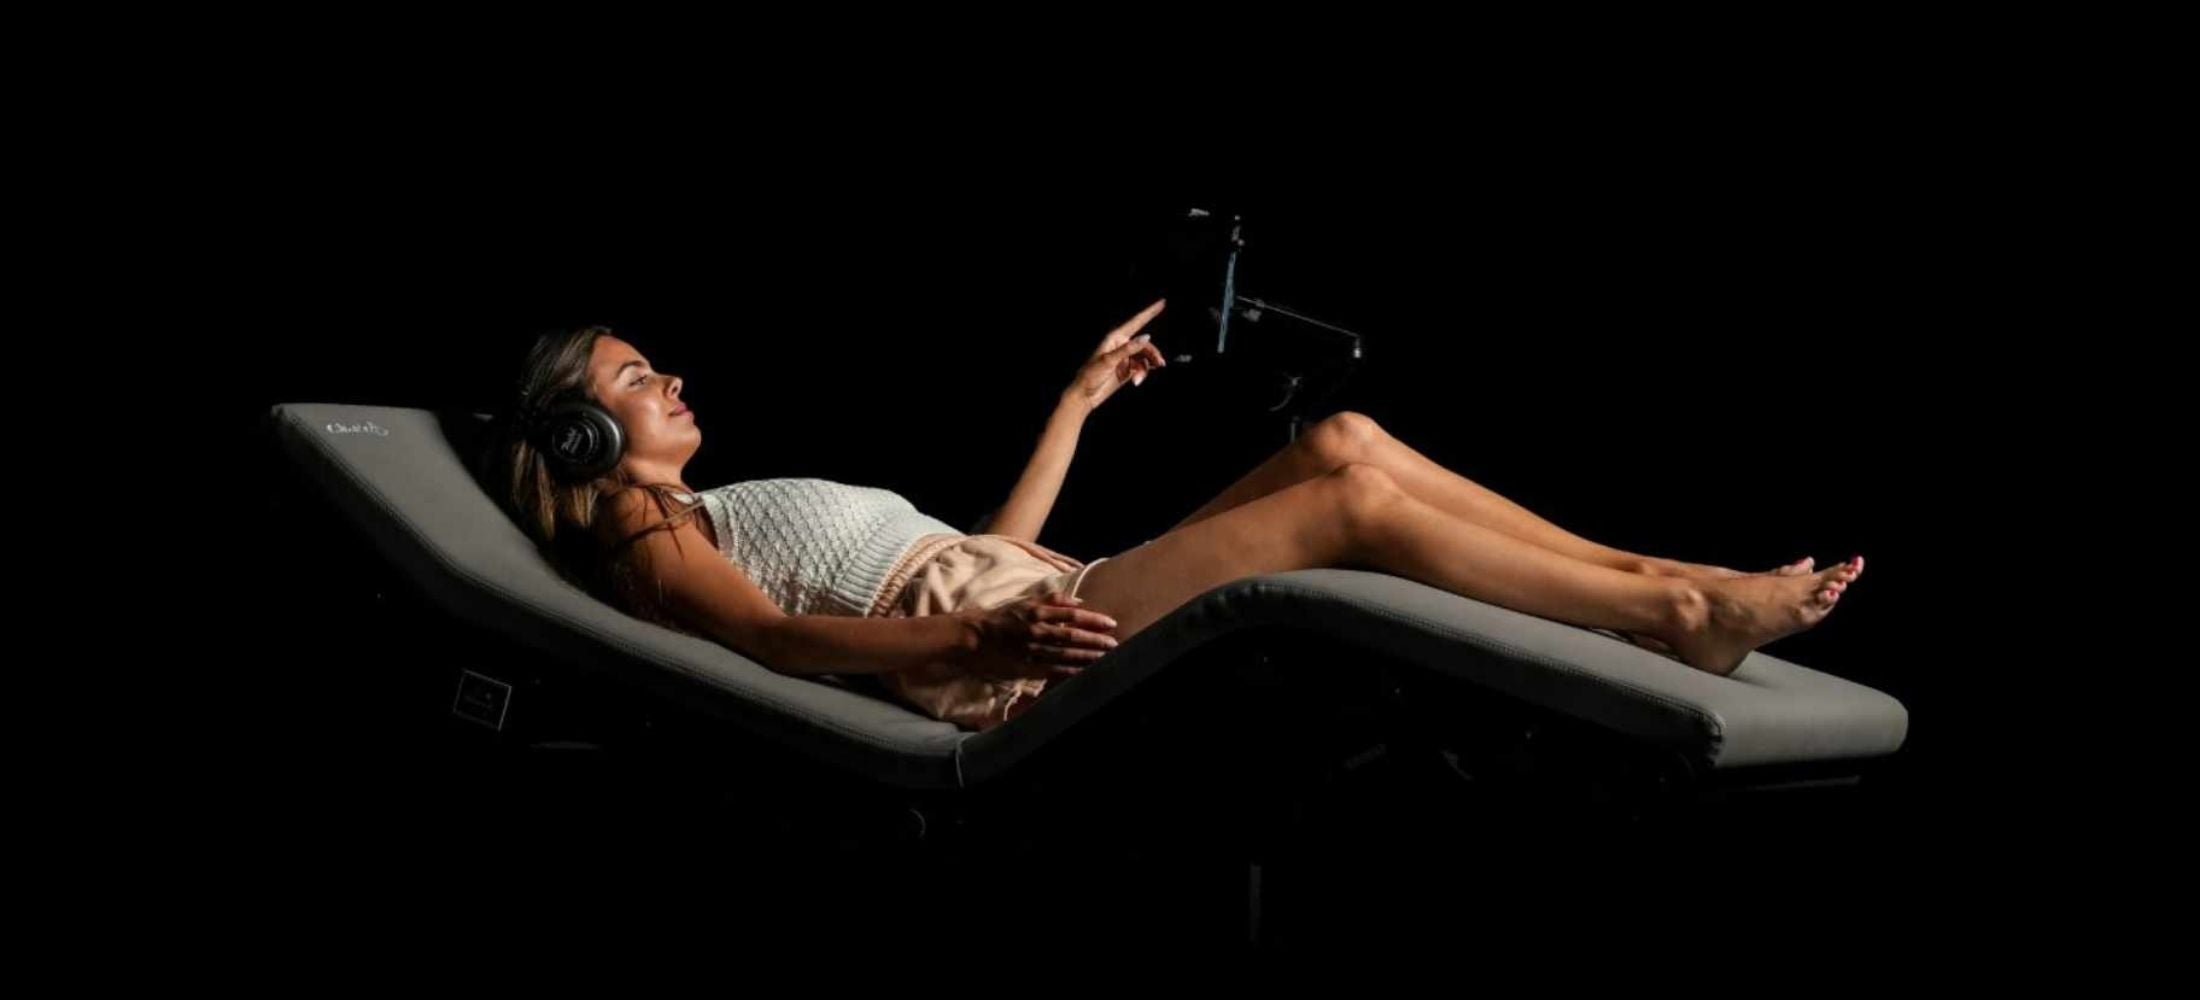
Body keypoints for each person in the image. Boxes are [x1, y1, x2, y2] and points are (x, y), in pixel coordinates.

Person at [485, 301, 1863, 732]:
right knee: (1352, 503)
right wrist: (973, 648)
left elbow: (975, 547)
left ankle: (1671, 581)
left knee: (1341, 441)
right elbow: (783, 644)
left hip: (1012, 591)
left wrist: (1076, 404)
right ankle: (1678, 612)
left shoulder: (708, 506)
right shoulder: (649, 536)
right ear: (581, 438)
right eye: (636, 380)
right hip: (992, 648)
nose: (672, 381)